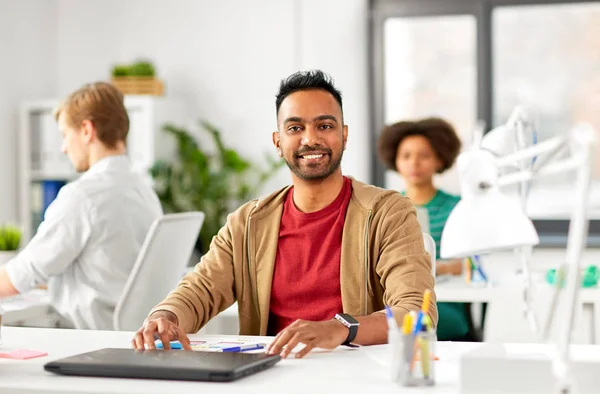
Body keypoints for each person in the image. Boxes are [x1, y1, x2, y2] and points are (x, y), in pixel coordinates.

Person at [132, 70, 437, 358]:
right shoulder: (247, 223)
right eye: (295, 128)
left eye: (325, 126)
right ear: (278, 142)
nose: (310, 139)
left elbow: (415, 312)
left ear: (344, 136)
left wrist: (341, 328)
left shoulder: (387, 212)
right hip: (268, 374)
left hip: (355, 375)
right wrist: (165, 316)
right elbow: (200, 289)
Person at [0, 82, 163, 330]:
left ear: (87, 130)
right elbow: (109, 272)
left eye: (65, 134)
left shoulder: (83, 196)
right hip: (129, 338)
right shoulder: (144, 191)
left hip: (86, 344)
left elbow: (23, 274)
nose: (64, 147)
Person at [376, 117, 472, 341]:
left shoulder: (457, 207)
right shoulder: (385, 208)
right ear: (395, 160)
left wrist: (437, 268)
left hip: (444, 302)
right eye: (406, 156)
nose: (414, 163)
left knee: (410, 319)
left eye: (424, 156)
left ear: (440, 160)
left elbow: (471, 264)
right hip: (396, 297)